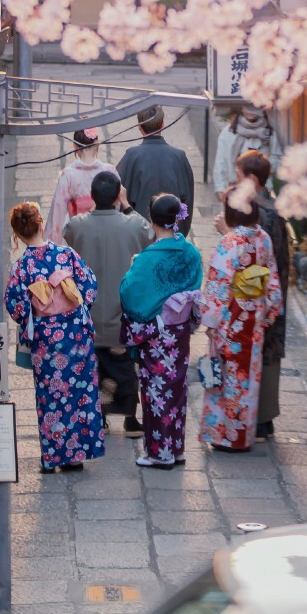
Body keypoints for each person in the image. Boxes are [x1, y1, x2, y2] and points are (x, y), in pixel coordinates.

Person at [4, 201, 106, 474]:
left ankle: (52, 456)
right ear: (40, 224)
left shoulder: (21, 268)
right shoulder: (66, 255)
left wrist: (37, 309)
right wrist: (70, 307)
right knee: (78, 393)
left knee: (50, 397)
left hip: (46, 341)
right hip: (75, 335)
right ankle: (76, 455)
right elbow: (90, 286)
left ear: (18, 234)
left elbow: (15, 307)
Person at [120, 193, 204, 468]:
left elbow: (131, 291)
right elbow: (193, 285)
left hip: (157, 332)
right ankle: (176, 448)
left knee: (156, 391)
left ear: (152, 220)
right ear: (178, 218)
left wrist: (132, 270)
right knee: (176, 388)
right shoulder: (190, 252)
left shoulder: (149, 257)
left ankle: (159, 453)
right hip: (178, 332)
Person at [64, 171, 151, 438]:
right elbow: (149, 231)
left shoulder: (77, 226)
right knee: (125, 368)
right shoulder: (133, 226)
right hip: (120, 317)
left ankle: (98, 416)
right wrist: (126, 204)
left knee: (94, 369)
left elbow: (67, 235)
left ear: (92, 197)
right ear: (116, 195)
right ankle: (130, 418)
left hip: (88, 317)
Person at [199, 199, 282, 454]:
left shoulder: (230, 241)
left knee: (227, 377)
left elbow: (218, 285)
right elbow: (272, 282)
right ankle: (242, 435)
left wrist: (210, 321)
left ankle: (226, 436)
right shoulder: (263, 237)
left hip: (231, 319)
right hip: (254, 319)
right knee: (247, 377)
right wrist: (267, 313)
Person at [237, 149, 290, 440]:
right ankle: (263, 418)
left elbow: (252, 258)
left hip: (259, 293)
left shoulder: (262, 213)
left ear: (253, 180)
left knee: (259, 350)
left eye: (239, 176)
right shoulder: (270, 206)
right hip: (271, 292)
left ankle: (258, 417)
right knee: (267, 351)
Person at [117, 106, 195, 232]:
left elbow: (121, 197)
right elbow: (187, 202)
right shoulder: (179, 157)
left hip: (140, 234)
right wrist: (181, 232)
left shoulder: (132, 157)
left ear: (140, 128)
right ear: (163, 124)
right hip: (172, 233)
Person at [44, 128, 118, 242]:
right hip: (109, 233)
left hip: (79, 235)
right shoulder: (110, 171)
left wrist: (55, 245)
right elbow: (118, 205)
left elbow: (58, 214)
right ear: (97, 144)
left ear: (75, 146)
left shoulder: (68, 175)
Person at [212, 103, 282, 200]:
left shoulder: (268, 133)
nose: (250, 110)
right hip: (234, 190)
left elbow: (278, 158)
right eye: (247, 106)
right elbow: (220, 162)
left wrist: (263, 165)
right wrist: (220, 188)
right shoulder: (229, 131)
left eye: (255, 106)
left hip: (260, 192)